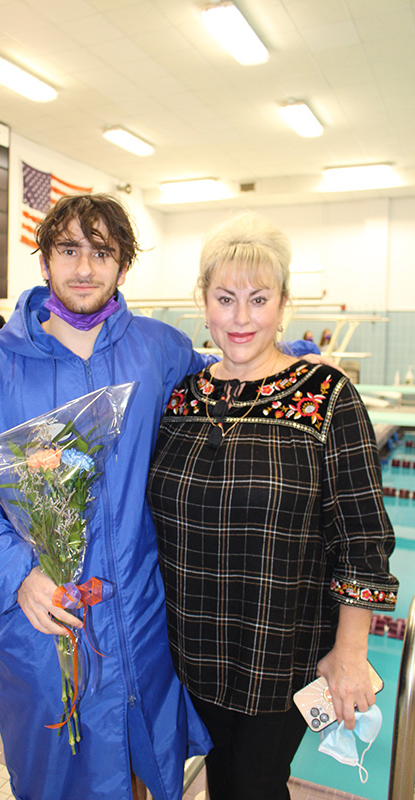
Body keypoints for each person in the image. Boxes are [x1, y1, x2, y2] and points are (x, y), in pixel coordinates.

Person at [0, 195, 323, 800]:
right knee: (57, 776)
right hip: (45, 622)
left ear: (121, 266)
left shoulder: (156, 350)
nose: (84, 267)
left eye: (101, 252)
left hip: (142, 620)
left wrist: (296, 360)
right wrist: (17, 575)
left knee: (144, 768)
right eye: (68, 250)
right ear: (44, 262)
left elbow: (228, 368)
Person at [147, 211, 399, 800]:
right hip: (192, 647)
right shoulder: (182, 397)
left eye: (258, 299)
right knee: (221, 780)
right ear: (201, 302)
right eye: (225, 297)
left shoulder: (326, 397)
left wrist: (351, 649)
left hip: (278, 650)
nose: (240, 318)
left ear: (283, 303)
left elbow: (361, 537)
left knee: (256, 785)